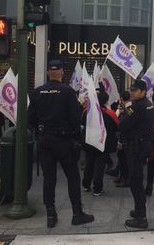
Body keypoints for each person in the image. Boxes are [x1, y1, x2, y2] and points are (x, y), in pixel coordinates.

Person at [28, 60, 94, 228]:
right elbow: (75, 118)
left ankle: (51, 215)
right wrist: (74, 137)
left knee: (49, 178)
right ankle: (77, 213)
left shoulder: (37, 92)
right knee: (72, 176)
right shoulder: (68, 92)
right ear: (62, 73)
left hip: (45, 141)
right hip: (64, 141)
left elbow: (30, 119)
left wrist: (41, 130)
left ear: (49, 72)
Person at [118, 79, 154, 229]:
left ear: (143, 92)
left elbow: (123, 125)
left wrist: (124, 113)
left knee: (135, 181)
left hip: (135, 147)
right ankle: (139, 210)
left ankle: (141, 217)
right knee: (137, 179)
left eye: (135, 90)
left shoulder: (137, 107)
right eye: (131, 90)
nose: (132, 92)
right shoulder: (148, 105)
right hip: (143, 145)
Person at [82, 90, 119, 196]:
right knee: (99, 166)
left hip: (89, 142)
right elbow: (118, 126)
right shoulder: (110, 113)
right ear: (106, 101)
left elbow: (82, 122)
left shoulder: (87, 111)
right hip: (103, 143)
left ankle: (86, 185)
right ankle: (97, 188)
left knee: (89, 163)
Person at [112, 91, 132, 187]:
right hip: (124, 137)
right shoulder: (126, 107)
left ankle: (126, 179)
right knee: (121, 158)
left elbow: (126, 122)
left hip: (125, 138)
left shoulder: (129, 108)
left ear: (122, 99)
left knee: (124, 160)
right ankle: (122, 177)